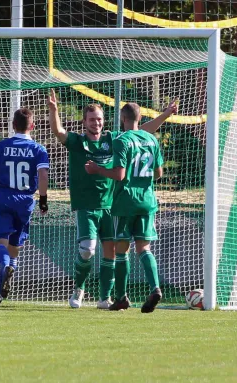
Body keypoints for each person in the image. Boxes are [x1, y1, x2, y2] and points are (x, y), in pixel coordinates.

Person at [48, 89, 176, 309]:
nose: (96, 123)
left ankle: (104, 298)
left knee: (113, 251)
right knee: (88, 249)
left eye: (99, 119)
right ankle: (79, 288)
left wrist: (164, 115)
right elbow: (59, 132)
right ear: (84, 122)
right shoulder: (78, 141)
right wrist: (54, 110)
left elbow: (140, 131)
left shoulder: (113, 138)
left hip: (112, 205)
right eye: (91, 120)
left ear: (104, 120)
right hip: (87, 205)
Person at [85, 102, 170, 313]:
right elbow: (159, 173)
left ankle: (121, 296)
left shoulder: (122, 141)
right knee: (144, 249)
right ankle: (155, 287)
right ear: (139, 119)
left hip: (125, 203)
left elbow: (120, 175)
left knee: (121, 250)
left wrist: (97, 169)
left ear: (122, 119)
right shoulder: (151, 139)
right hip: (147, 201)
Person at [0, 108, 49, 307]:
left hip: (4, 197)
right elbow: (43, 176)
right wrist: (43, 200)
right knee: (15, 248)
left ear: (13, 125)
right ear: (33, 126)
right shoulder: (39, 149)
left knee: (0, 244)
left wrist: (1, 171)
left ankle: (4, 267)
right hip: (26, 200)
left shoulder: (1, 146)